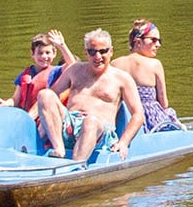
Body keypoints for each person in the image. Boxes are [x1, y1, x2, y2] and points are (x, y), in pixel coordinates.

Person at [58, 28, 145, 165]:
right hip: (69, 126)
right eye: (92, 52)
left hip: (100, 131)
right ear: (86, 53)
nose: (97, 56)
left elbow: (138, 114)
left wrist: (123, 142)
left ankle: (75, 167)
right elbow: (51, 95)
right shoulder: (74, 70)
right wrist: (29, 117)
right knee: (45, 95)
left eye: (103, 51)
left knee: (90, 121)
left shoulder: (122, 79)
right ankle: (56, 150)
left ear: (111, 51)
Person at [7, 30, 74, 153]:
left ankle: (38, 144)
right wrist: (5, 103)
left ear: (54, 53)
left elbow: (73, 65)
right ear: (32, 54)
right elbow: (15, 99)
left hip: (47, 119)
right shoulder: (25, 75)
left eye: (47, 52)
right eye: (40, 53)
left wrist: (62, 46)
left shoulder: (57, 71)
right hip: (28, 118)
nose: (44, 56)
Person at [113, 18, 184, 132]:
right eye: (153, 40)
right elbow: (163, 103)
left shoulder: (114, 64)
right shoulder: (154, 64)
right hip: (150, 119)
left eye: (159, 41)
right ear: (138, 42)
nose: (158, 45)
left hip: (123, 118)